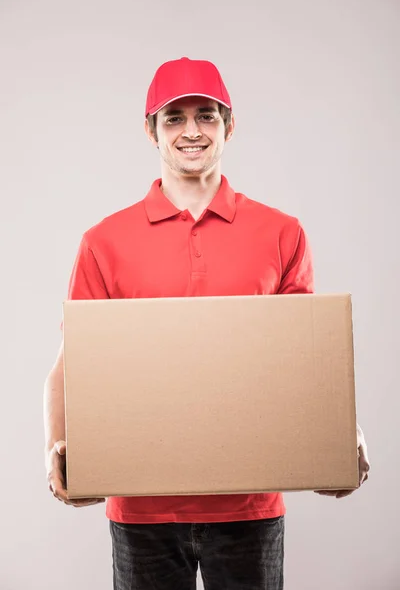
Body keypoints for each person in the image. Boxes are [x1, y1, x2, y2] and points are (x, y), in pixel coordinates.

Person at [44, 57, 370, 590]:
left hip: (250, 505)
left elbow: (306, 359)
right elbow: (71, 364)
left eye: (207, 116)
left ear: (229, 126)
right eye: (174, 118)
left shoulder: (281, 232)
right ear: (150, 131)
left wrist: (340, 435)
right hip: (141, 506)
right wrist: (55, 450)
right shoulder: (103, 241)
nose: (191, 131)